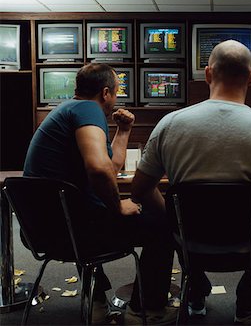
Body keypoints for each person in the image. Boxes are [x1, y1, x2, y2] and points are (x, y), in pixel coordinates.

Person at [131, 40, 251, 324]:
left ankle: (194, 290)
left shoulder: (169, 125)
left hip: (189, 243)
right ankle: (249, 300)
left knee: (165, 222)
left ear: (207, 74)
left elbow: (139, 190)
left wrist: (172, 218)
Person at [23, 63, 176, 325]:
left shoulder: (66, 110)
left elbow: (110, 168)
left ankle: (96, 303)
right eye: (116, 92)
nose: (115, 98)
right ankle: (145, 310)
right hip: (74, 232)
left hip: (43, 230)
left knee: (87, 211)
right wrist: (118, 206)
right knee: (162, 226)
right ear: (105, 93)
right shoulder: (87, 109)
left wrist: (124, 131)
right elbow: (98, 168)